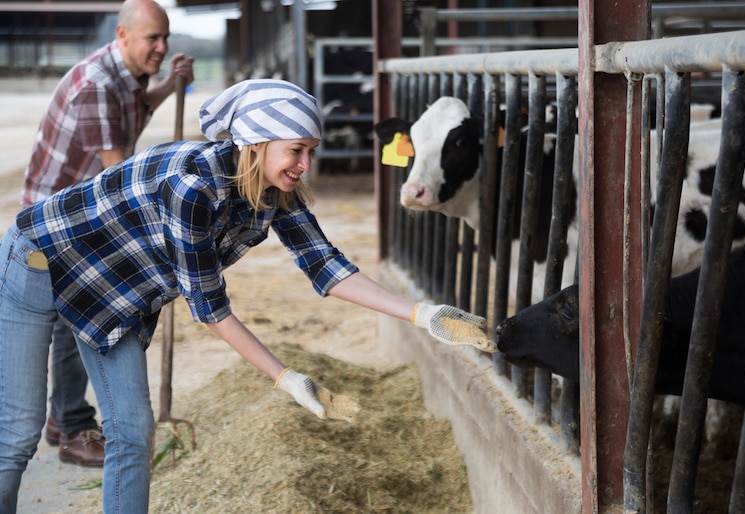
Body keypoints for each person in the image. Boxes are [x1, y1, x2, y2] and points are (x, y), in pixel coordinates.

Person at [0, 78, 493, 512]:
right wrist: (287, 379)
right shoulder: (191, 190)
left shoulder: (275, 189)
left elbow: (325, 265)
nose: (305, 164)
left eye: (311, 151)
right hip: (40, 260)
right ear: (256, 144)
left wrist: (421, 313)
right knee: (20, 433)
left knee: (132, 433)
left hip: (114, 294)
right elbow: (210, 308)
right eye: (297, 149)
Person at [21, 0, 194, 468]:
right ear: (122, 35)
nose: (161, 47)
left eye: (165, 38)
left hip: (82, 203)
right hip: (57, 215)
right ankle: (74, 426)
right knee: (77, 311)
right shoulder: (97, 84)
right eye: (152, 39)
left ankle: (63, 418)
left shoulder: (123, 76)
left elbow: (136, 109)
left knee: (78, 309)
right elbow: (116, 174)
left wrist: (168, 85)